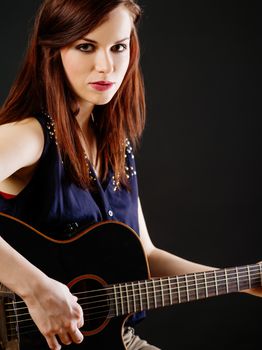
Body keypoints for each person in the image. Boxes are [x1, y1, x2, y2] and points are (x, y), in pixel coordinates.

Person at [0, 0, 261, 349]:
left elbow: (146, 256)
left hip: (116, 340)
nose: (106, 66)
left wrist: (246, 280)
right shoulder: (29, 135)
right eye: (86, 46)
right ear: (53, 50)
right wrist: (34, 289)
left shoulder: (115, 144)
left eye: (118, 47)